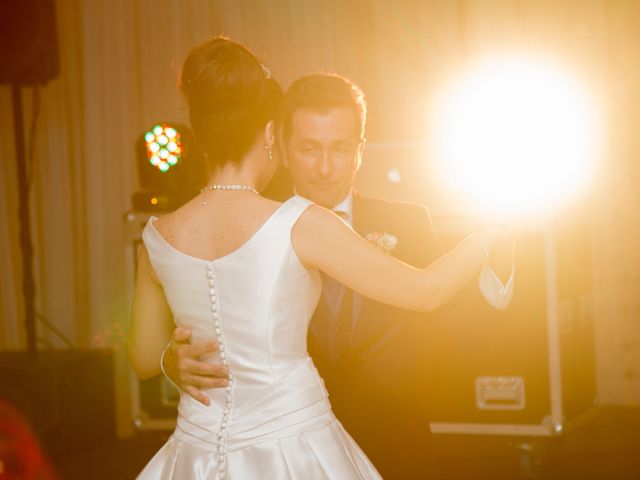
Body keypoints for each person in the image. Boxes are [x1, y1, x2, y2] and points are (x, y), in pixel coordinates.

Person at [128, 37, 511, 479]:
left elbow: (140, 359)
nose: (324, 166)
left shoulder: (156, 236)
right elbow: (426, 291)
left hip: (195, 453)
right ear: (273, 136)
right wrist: (495, 228)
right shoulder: (297, 222)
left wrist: (168, 361)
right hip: (294, 450)